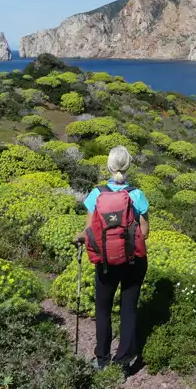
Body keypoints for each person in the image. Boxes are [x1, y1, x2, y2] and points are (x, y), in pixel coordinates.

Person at [74, 145, 150, 374]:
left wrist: (80, 238)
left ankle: (102, 359)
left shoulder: (97, 193)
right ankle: (124, 363)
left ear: (108, 166)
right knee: (128, 309)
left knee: (103, 308)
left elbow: (90, 230)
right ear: (128, 166)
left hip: (106, 261)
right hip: (132, 260)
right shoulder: (136, 194)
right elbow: (145, 232)